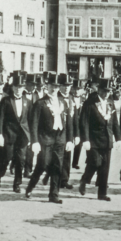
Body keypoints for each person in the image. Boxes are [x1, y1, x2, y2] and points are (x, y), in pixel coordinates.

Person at [25, 73, 75, 203]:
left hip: (59, 138)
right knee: (43, 164)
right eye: (52, 86)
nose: (54, 89)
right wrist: (34, 141)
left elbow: (68, 122)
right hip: (45, 138)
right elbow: (34, 124)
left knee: (57, 166)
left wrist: (70, 139)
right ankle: (30, 186)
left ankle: (54, 195)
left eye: (57, 86)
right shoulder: (40, 103)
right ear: (47, 86)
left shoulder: (63, 102)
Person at [78, 78, 121, 201]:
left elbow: (115, 122)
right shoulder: (90, 103)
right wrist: (85, 139)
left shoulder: (110, 103)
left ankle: (102, 193)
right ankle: (84, 180)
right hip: (93, 139)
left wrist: (118, 138)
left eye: (109, 91)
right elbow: (84, 122)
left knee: (105, 166)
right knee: (95, 162)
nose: (107, 93)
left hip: (107, 139)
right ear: (99, 90)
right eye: (104, 91)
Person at [0, 72, 33, 193]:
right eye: (16, 87)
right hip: (9, 135)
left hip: (22, 137)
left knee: (20, 160)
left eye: (21, 87)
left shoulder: (28, 101)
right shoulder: (6, 101)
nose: (18, 89)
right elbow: (0, 118)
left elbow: (30, 120)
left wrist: (31, 137)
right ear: (12, 87)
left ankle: (17, 184)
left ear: (24, 88)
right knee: (6, 159)